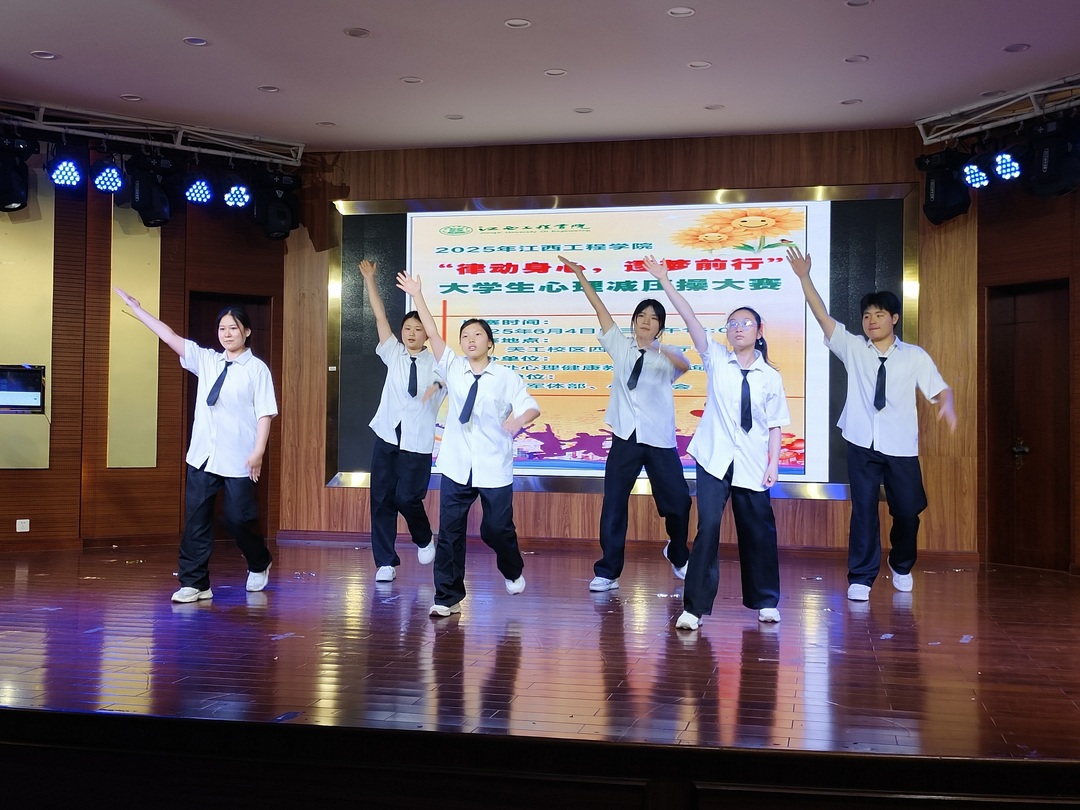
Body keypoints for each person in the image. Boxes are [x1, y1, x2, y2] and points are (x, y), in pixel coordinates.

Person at [785, 245, 957, 601]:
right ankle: (862, 576)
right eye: (867, 315)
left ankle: (901, 562)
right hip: (861, 442)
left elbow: (939, 389)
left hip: (900, 445)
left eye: (879, 314)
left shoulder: (914, 356)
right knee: (863, 511)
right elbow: (821, 316)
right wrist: (804, 277)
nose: (871, 321)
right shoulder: (853, 348)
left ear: (894, 318)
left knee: (908, 511)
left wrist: (948, 403)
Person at [644, 256, 789, 630]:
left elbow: (775, 425)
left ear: (759, 331)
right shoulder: (716, 359)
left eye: (745, 323)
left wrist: (773, 463)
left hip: (753, 463)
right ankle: (694, 608)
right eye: (732, 324)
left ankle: (766, 601)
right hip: (713, 459)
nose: (738, 328)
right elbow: (690, 318)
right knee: (708, 527)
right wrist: (665, 281)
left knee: (758, 530)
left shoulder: (770, 377)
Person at [114, 288, 277, 603]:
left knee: (238, 519)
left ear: (246, 331)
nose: (226, 334)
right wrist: (138, 310)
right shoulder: (207, 360)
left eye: (233, 328)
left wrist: (258, 452)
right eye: (222, 328)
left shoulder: (257, 370)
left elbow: (265, 413)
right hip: (203, 456)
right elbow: (169, 336)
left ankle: (259, 561)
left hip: (240, 458)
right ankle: (195, 582)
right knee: (196, 522)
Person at [395, 270, 540, 617]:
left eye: (477, 335)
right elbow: (432, 332)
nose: (470, 339)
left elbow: (531, 406)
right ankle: (447, 597)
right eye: (465, 335)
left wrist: (518, 421)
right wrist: (417, 294)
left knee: (496, 529)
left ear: (490, 343)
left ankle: (512, 569)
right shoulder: (453, 367)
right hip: (457, 464)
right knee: (450, 532)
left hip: (493, 465)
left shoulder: (506, 376)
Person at [560, 255, 692, 592]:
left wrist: (660, 348)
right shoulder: (621, 345)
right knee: (614, 504)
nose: (646, 321)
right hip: (625, 437)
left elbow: (686, 364)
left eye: (653, 318)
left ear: (660, 326)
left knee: (678, 503)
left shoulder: (667, 355)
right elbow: (599, 308)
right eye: (641, 316)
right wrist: (580, 275)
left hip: (659, 440)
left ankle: (678, 552)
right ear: (633, 321)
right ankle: (608, 571)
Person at [359, 259, 446, 583]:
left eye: (417, 329)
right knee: (381, 500)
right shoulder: (393, 352)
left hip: (417, 443)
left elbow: (442, 384)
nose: (411, 333)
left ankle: (423, 537)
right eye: (407, 328)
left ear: (426, 333)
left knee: (407, 498)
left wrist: (434, 388)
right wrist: (370, 280)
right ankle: (385, 562)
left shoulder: (438, 362)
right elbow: (380, 316)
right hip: (387, 437)